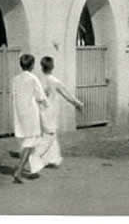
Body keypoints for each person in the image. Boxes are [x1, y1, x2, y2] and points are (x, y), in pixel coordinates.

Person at [28, 56, 83, 174]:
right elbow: (66, 93)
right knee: (50, 135)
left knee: (48, 134)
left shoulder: (39, 81)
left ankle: (52, 159)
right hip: (51, 112)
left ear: (42, 67)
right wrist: (77, 103)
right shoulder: (54, 81)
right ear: (52, 67)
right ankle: (34, 155)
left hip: (41, 110)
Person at [11, 53, 48, 183]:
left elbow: (14, 95)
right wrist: (46, 105)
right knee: (30, 142)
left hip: (19, 113)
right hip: (31, 113)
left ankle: (34, 168)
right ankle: (19, 171)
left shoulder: (15, 79)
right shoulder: (33, 79)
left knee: (27, 141)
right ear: (32, 65)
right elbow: (41, 96)